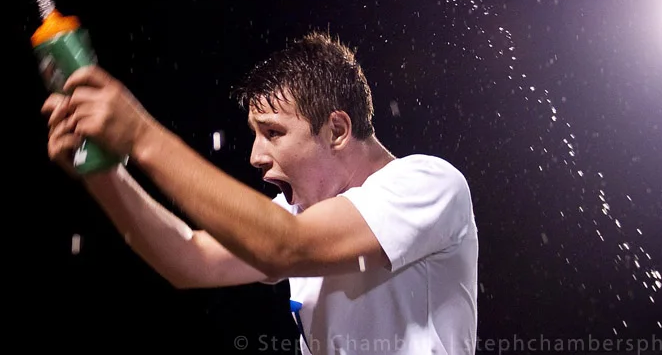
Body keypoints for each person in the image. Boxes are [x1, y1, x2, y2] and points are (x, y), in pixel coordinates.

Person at [41, 31, 479, 355]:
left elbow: (283, 246)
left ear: (338, 130)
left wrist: (140, 135)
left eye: (273, 132)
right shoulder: (300, 214)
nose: (255, 156)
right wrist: (100, 172)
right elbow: (188, 259)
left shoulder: (428, 184)